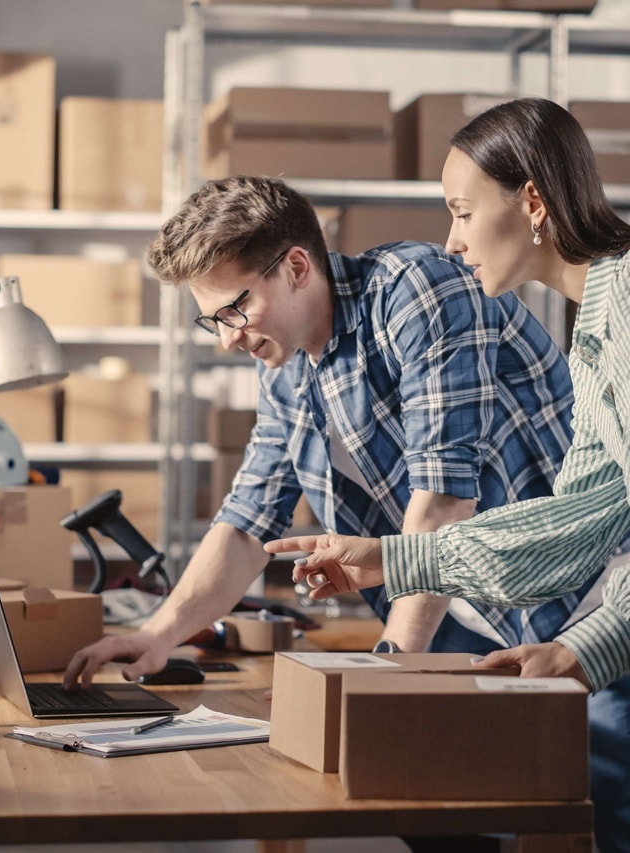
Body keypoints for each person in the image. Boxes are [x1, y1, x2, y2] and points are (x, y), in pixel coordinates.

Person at [265, 98, 630, 853]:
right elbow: (583, 524)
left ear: (532, 200)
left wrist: (590, 644)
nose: (452, 239)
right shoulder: (595, 322)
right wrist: (393, 558)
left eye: (462, 212)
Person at [62, 173, 577, 679]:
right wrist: (157, 635)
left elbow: (445, 501)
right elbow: (246, 526)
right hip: (450, 625)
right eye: (213, 320)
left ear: (296, 267)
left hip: (574, 610)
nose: (226, 339)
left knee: (588, 763)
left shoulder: (417, 291)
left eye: (235, 310)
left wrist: (383, 673)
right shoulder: (286, 374)